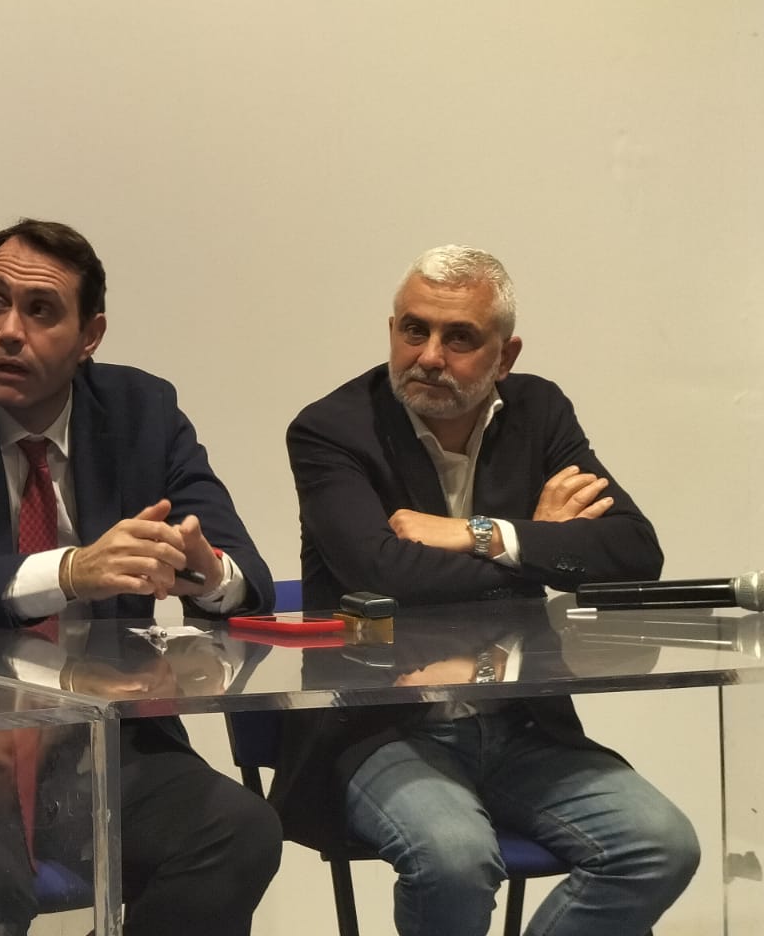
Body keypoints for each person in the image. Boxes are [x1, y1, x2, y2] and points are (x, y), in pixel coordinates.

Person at [0, 218, 282, 936]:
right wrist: (71, 571)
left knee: (239, 832)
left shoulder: (143, 413)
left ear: (90, 336)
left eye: (40, 311)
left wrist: (206, 573)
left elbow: (250, 580)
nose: (8, 331)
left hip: (103, 749)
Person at [274, 244, 698, 936]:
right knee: (453, 857)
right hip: (378, 727)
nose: (429, 356)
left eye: (459, 338)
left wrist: (480, 534)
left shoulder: (539, 411)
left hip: (521, 724)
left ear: (506, 356)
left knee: (660, 845)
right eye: (414, 330)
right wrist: (539, 542)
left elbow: (633, 553)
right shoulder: (333, 428)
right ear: (391, 330)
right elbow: (384, 577)